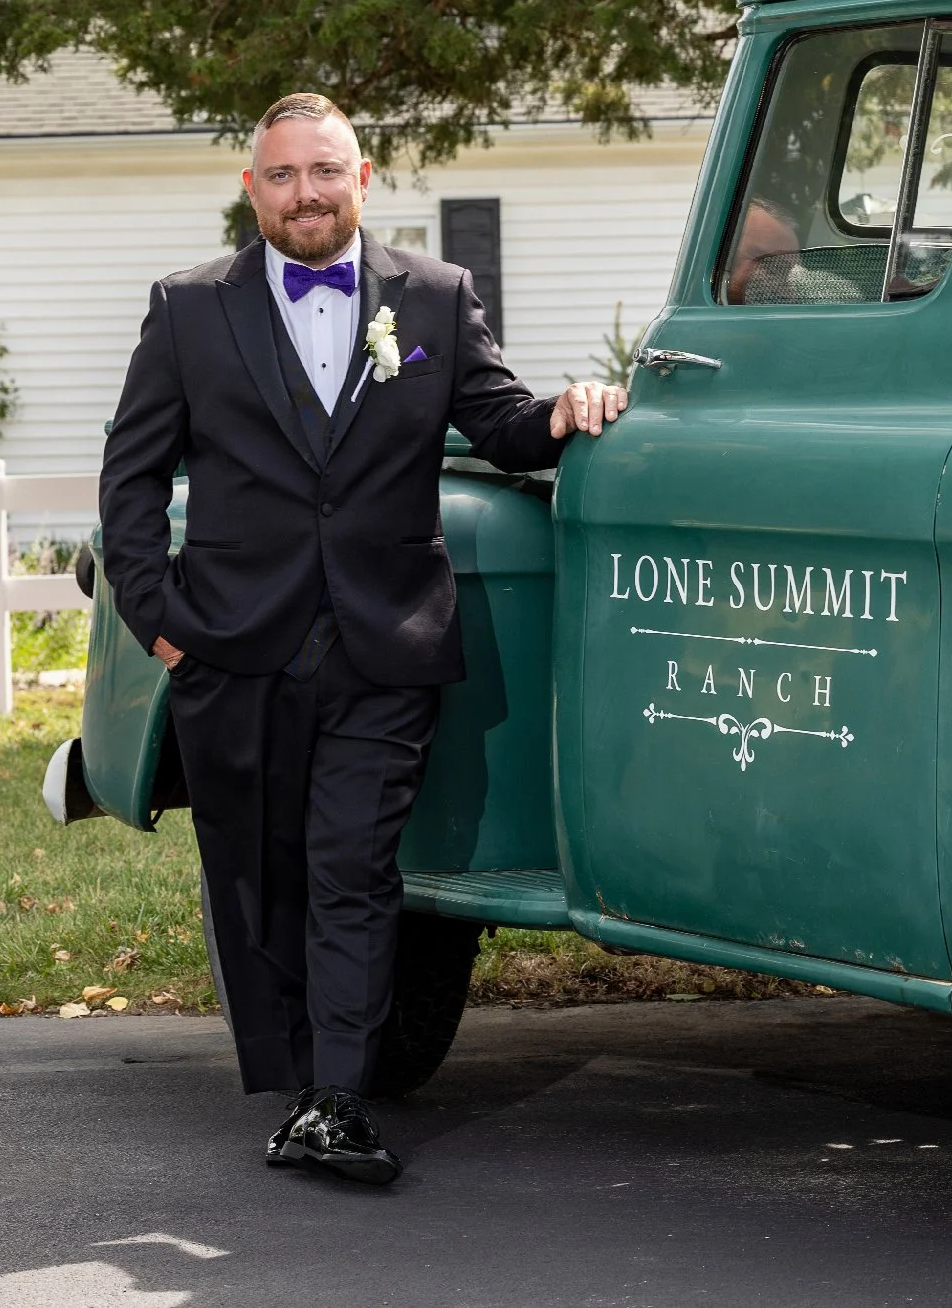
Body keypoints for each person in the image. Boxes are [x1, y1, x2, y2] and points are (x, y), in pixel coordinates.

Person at [97, 91, 627, 1184]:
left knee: (353, 866)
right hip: (232, 645)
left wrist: (570, 408)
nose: (306, 193)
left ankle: (338, 1096)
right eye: (283, 175)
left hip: (385, 644)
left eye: (325, 171)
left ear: (365, 178)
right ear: (253, 190)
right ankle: (296, 1084)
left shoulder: (434, 296)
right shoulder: (188, 308)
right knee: (256, 877)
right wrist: (159, 624)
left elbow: (501, 423)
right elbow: (132, 475)